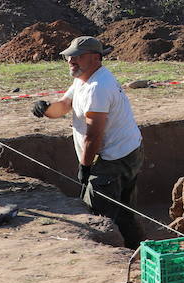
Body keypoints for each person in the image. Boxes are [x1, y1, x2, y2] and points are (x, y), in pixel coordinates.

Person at [32, 36, 144, 248]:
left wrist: (85, 166)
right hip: (125, 150)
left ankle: (113, 253)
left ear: (96, 58)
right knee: (122, 209)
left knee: (99, 213)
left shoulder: (98, 88)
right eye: (69, 57)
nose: (71, 61)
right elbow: (65, 105)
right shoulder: (83, 78)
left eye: (77, 57)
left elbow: (94, 135)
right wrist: (46, 109)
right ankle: (136, 248)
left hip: (114, 158)